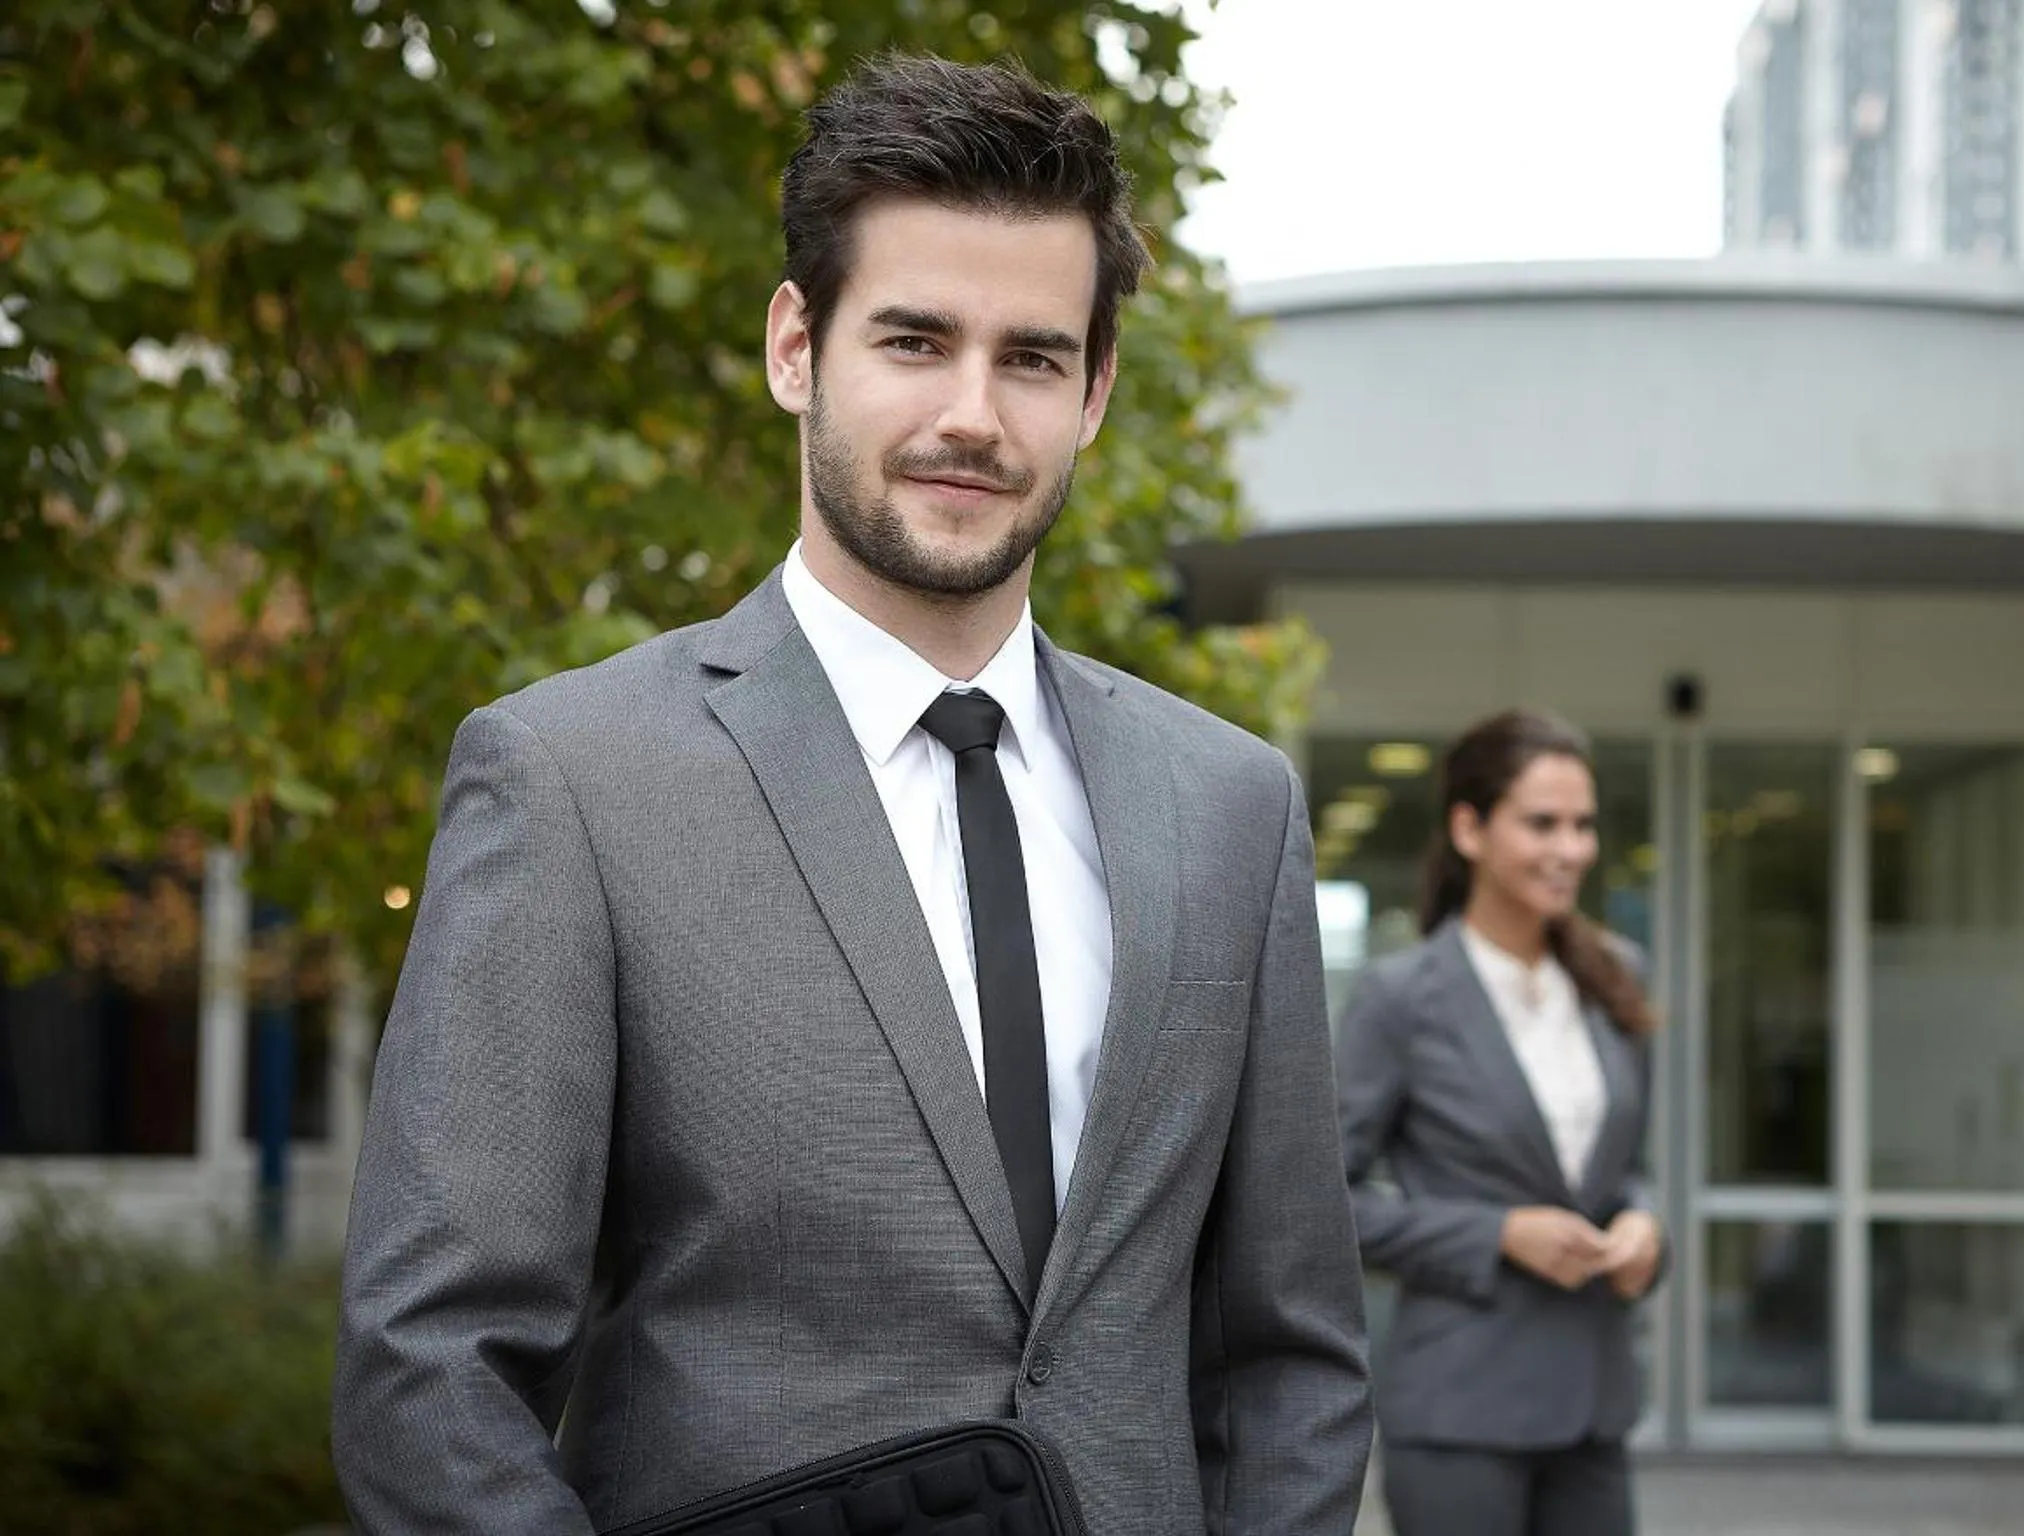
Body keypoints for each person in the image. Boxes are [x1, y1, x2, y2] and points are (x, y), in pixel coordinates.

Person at [331, 53, 1371, 1535]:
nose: (974, 415)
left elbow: (1290, 1360)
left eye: (1032, 357)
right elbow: (430, 1374)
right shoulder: (572, 781)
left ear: (1095, 393)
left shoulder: (1230, 806)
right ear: (795, 350)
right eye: (914, 340)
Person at [1333, 710, 1663, 1536]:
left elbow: (1632, 1169)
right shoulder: (1402, 997)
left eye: (1583, 825)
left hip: (1595, 1404)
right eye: (1542, 823)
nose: (1571, 849)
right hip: (1459, 1409)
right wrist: (1496, 1235)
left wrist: (1645, 1229)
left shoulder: (1617, 977)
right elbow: (1323, 1202)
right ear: (1470, 829)